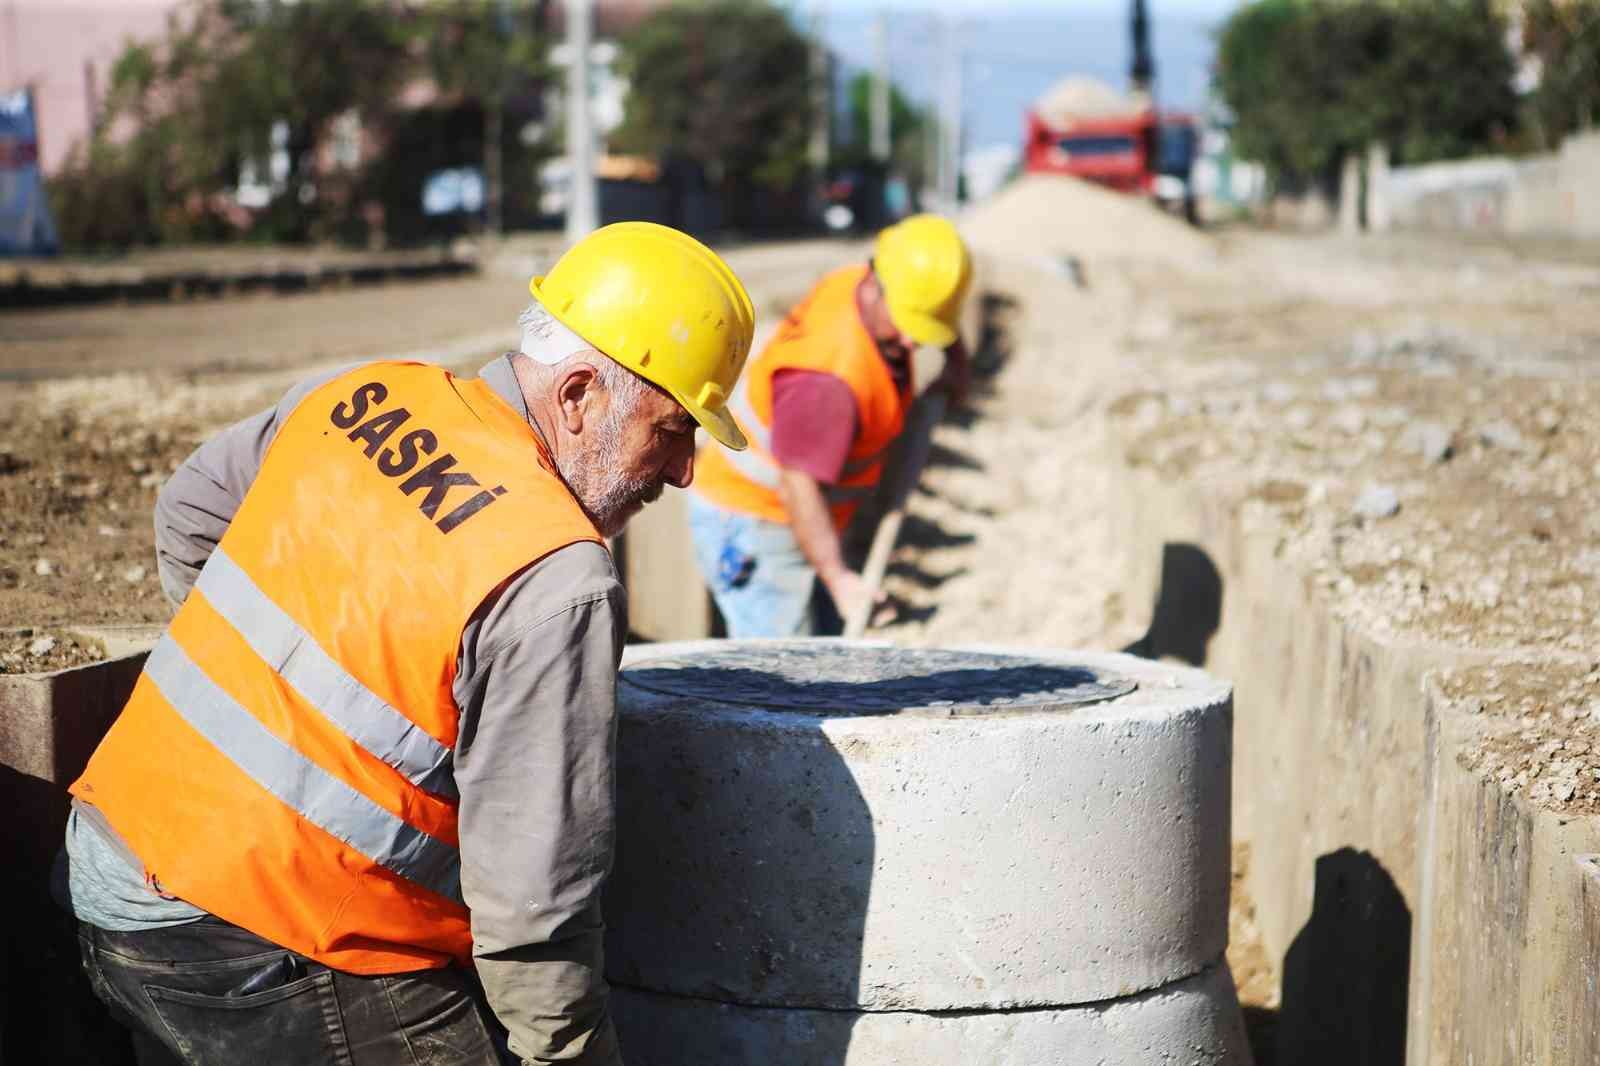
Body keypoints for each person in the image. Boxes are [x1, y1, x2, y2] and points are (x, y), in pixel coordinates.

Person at [54, 222, 755, 1066]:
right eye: (674, 429)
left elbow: (191, 511)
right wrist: (569, 1053)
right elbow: (534, 902)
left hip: (103, 870)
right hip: (259, 948)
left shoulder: (370, 393)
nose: (682, 472)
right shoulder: (554, 577)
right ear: (578, 395)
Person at [687, 213, 971, 637]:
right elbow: (797, 483)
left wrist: (956, 361)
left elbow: (935, 314)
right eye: (908, 324)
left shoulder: (863, 281)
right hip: (756, 520)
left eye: (925, 328)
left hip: (799, 512)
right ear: (876, 284)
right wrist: (839, 579)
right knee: (783, 676)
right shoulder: (827, 381)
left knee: (818, 654)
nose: (913, 343)